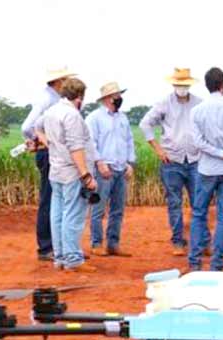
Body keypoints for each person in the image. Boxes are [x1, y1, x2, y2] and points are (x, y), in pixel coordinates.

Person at [188, 68, 223, 272]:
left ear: (207, 85)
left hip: (205, 170)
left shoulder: (197, 111)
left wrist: (221, 154)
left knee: (198, 214)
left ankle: (195, 262)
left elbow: (198, 143)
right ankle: (217, 263)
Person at [140, 68, 203, 257]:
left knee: (199, 203)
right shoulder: (163, 104)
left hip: (195, 160)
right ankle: (178, 242)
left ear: (189, 85)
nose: (181, 88)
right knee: (174, 203)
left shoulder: (199, 104)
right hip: (172, 161)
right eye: (178, 84)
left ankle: (201, 241)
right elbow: (145, 124)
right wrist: (158, 150)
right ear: (173, 85)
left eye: (185, 85)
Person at [38, 77, 98, 272]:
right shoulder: (71, 115)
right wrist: (86, 175)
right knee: (73, 215)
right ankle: (73, 259)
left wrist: (51, 145)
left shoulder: (51, 111)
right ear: (79, 97)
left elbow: (36, 127)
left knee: (58, 215)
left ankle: (60, 258)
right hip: (72, 172)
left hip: (56, 171)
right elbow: (76, 147)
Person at [20, 67, 76, 262]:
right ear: (58, 82)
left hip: (51, 153)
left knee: (55, 198)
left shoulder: (52, 99)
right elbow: (27, 127)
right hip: (50, 154)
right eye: (66, 80)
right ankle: (46, 247)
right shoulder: (49, 101)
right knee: (50, 199)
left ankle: (57, 246)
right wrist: (44, 141)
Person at [86, 81, 137, 256]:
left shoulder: (123, 118)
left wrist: (130, 163)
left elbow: (129, 141)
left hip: (121, 169)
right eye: (117, 95)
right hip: (104, 170)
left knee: (118, 210)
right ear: (108, 98)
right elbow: (90, 143)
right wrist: (99, 163)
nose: (119, 98)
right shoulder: (94, 118)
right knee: (98, 209)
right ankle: (96, 243)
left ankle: (113, 244)